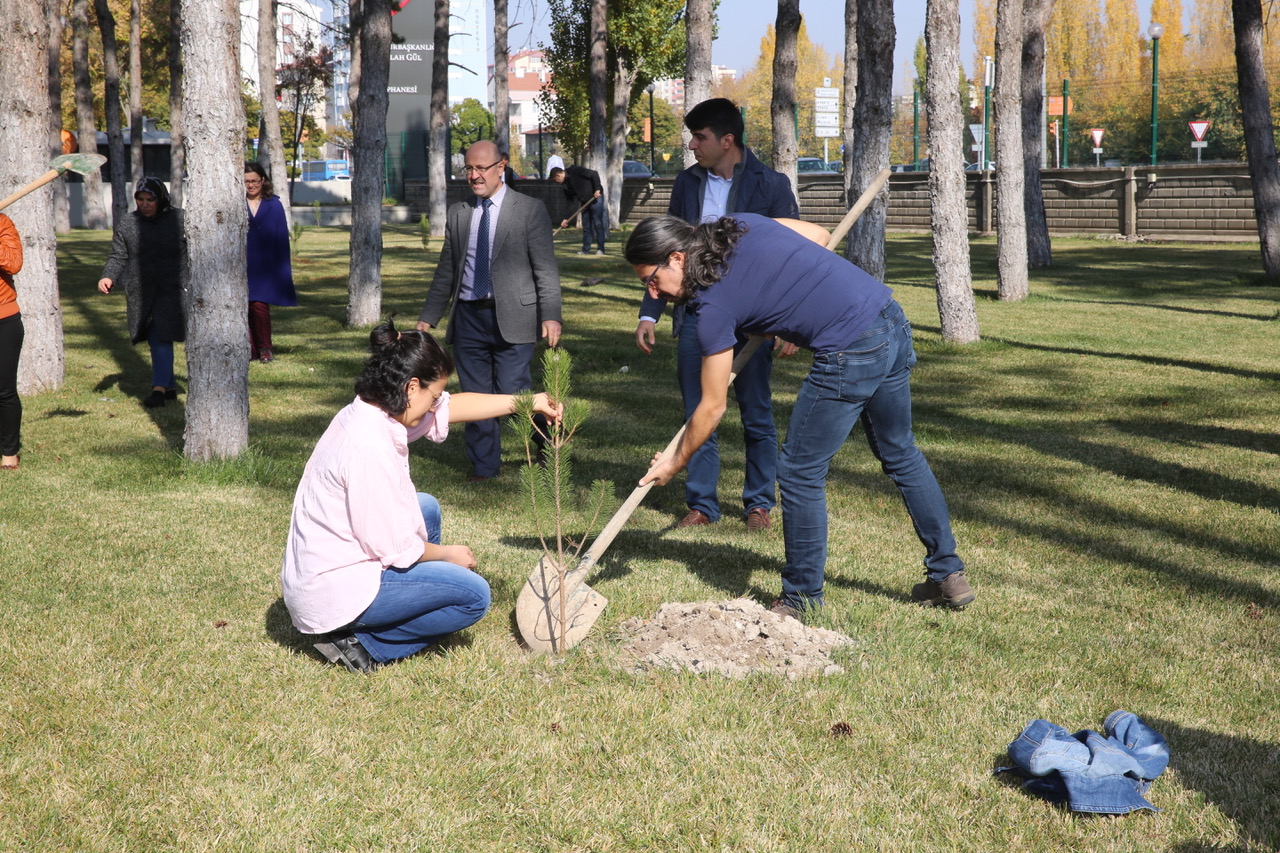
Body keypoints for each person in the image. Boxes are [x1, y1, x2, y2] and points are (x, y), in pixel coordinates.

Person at [626, 213, 974, 617]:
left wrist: (675, 461)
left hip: (850, 347)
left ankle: (801, 596)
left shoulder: (712, 307)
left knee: (799, 472)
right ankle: (948, 574)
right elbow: (820, 235)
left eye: (651, 280)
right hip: (889, 320)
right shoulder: (738, 224)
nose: (654, 292)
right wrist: (775, 298)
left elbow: (712, 405)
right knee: (901, 452)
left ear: (677, 258)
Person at [282, 319, 562, 673]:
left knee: (425, 506)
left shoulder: (373, 412)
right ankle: (361, 644)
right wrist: (447, 555)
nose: (435, 406)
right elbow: (395, 546)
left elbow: (454, 406)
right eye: (432, 397)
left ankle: (390, 611)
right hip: (331, 591)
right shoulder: (369, 446)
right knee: (475, 596)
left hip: (330, 570)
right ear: (412, 387)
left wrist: (528, 401)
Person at [635, 97, 799, 533]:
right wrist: (650, 312)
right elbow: (665, 251)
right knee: (699, 411)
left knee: (756, 410)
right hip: (696, 314)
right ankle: (702, 504)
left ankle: (759, 503)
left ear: (728, 141)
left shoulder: (771, 185)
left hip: (754, 319)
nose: (692, 145)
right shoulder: (687, 184)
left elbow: (792, 256)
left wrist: (787, 323)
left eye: (700, 137)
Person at [416, 140, 562, 483]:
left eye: (481, 168)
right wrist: (429, 316)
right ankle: (484, 469)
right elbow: (447, 269)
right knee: (477, 396)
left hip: (515, 319)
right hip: (468, 319)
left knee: (517, 391)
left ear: (502, 166)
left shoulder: (529, 209)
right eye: (468, 168)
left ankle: (546, 450)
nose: (473, 175)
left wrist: (551, 314)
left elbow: (545, 269)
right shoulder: (459, 212)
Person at [97, 177, 187, 408]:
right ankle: (169, 387)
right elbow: (119, 255)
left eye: (151, 199)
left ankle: (157, 390)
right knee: (155, 336)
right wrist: (108, 276)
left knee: (161, 334)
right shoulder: (128, 223)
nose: (145, 204)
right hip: (141, 290)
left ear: (161, 199)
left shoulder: (180, 219)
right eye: (140, 199)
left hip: (174, 288)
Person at [244, 161, 297, 363]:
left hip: (265, 265)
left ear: (263, 180)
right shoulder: (236, 203)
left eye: (254, 181)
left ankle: (265, 347)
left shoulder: (274, 204)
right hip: (241, 263)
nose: (251, 185)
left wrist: (282, 269)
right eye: (246, 182)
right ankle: (250, 347)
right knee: (244, 305)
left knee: (258, 304)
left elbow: (281, 237)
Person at [0, 214, 23, 470]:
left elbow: (14, 263)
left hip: (3, 318)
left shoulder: (2, 223)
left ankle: (9, 453)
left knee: (4, 390)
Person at [550, 164, 607, 255]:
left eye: (555, 180)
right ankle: (586, 250)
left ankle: (600, 249)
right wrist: (566, 218)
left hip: (595, 198)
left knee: (598, 224)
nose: (557, 182)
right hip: (584, 202)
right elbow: (570, 202)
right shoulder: (565, 185)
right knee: (586, 226)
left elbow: (594, 174)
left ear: (558, 175)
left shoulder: (576, 171)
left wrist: (597, 189)